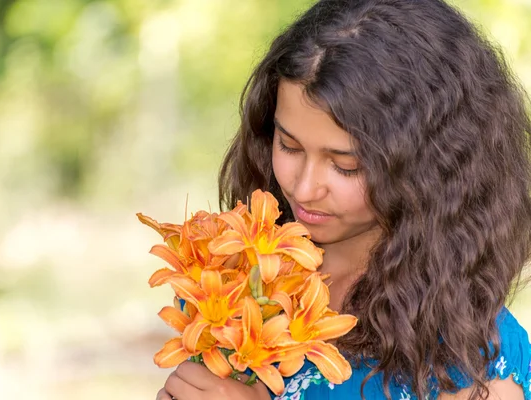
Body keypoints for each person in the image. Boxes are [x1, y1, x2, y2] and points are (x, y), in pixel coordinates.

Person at [156, 0, 531, 398]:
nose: (304, 189)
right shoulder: (231, 279)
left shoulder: (472, 353)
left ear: (430, 169)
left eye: (346, 165)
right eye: (289, 145)